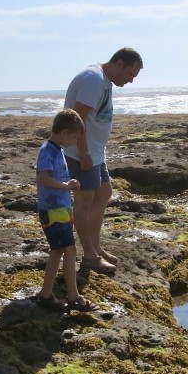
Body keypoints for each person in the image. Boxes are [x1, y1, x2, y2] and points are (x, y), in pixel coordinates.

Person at [63, 47, 144, 273]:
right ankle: (89, 256)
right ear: (119, 64)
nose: (130, 81)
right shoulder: (93, 79)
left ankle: (96, 247)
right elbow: (75, 119)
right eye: (130, 74)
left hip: (96, 152)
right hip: (81, 153)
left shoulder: (103, 80)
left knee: (104, 192)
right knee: (84, 200)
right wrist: (84, 153)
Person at [35, 109, 98, 313]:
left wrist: (70, 185)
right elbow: (43, 178)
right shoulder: (47, 151)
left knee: (57, 251)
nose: (75, 141)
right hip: (52, 210)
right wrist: (66, 186)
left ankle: (45, 294)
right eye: (74, 136)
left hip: (61, 209)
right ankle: (73, 297)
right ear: (63, 132)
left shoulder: (58, 149)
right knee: (69, 250)